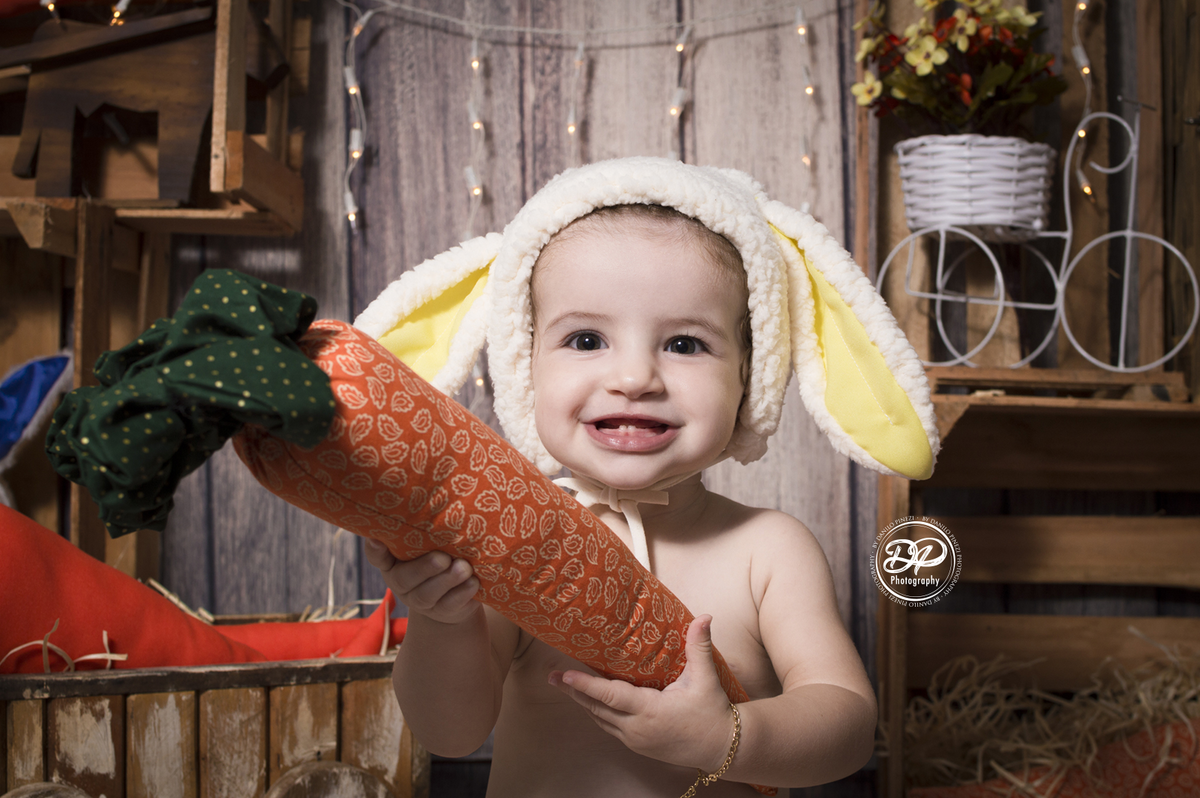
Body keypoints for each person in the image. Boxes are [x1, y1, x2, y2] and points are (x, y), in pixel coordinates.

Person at [360, 157, 938, 796]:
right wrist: (443, 622)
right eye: (585, 340)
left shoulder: (768, 551)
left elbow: (849, 726)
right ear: (524, 366)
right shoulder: (510, 539)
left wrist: (724, 738)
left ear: (750, 378)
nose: (635, 377)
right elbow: (451, 734)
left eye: (685, 344)